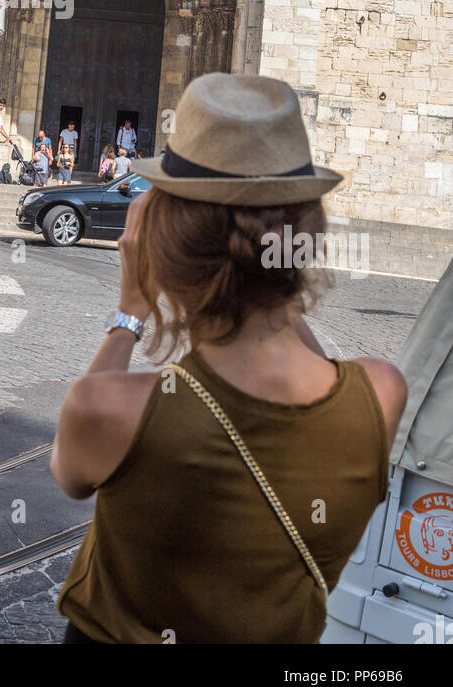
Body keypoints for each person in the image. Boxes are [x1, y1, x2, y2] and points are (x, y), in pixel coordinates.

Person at [51, 73, 407, 645]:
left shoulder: (107, 408)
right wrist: (270, 270)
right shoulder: (383, 392)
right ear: (308, 231)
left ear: (164, 243)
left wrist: (130, 310)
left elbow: (71, 479)